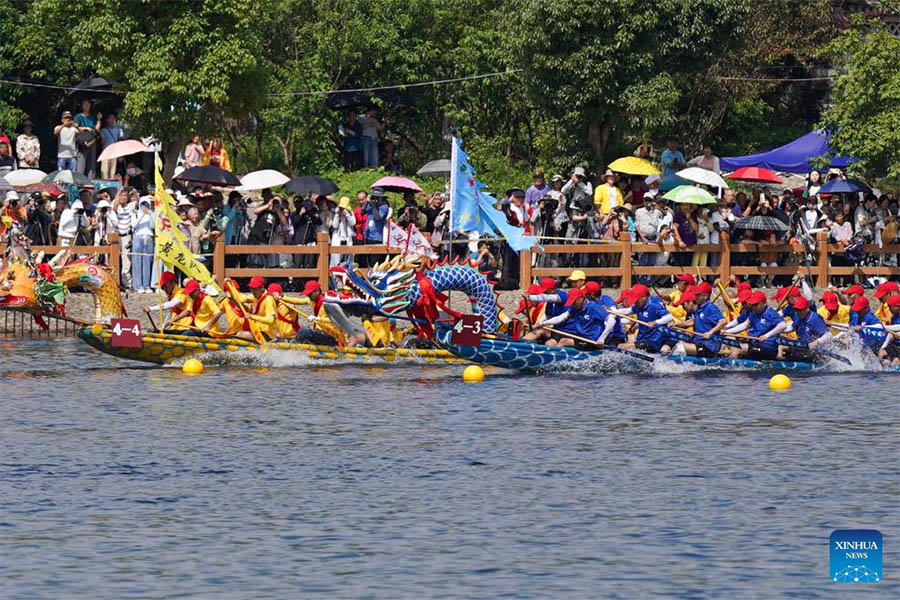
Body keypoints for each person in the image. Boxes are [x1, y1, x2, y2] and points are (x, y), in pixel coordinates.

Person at [724, 290, 787, 360]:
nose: (753, 307)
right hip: (753, 342)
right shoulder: (754, 312)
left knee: (737, 350)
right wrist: (727, 332)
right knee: (730, 340)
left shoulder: (771, 313)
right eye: (752, 305)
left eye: (756, 305)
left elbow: (782, 325)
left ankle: (730, 368)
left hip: (766, 347)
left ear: (764, 303)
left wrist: (766, 336)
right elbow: (745, 325)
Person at [671, 284, 726, 357]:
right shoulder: (699, 308)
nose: (695, 297)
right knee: (673, 342)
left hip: (709, 345)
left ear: (705, 296)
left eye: (697, 295)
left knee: (679, 347)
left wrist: (710, 332)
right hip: (698, 342)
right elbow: (693, 321)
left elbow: (723, 321)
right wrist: (676, 325)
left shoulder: (711, 308)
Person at [779, 296, 832, 361]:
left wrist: (816, 342)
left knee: (782, 347)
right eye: (796, 310)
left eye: (800, 310)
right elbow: (790, 328)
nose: (798, 312)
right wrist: (777, 330)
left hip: (813, 350)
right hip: (802, 346)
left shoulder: (814, 319)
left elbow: (828, 335)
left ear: (807, 308)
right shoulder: (799, 317)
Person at [132, 198, 155, 293]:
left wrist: (150, 213)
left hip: (149, 236)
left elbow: (153, 226)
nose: (144, 206)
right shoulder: (136, 213)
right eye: (143, 204)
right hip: (138, 236)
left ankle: (146, 285)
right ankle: (138, 285)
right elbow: (133, 224)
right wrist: (141, 214)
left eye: (146, 204)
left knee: (147, 261)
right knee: (137, 261)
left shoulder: (152, 214)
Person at [74, 99, 101, 177]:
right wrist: (86, 128)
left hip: (92, 141)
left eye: (88, 104)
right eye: (85, 104)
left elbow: (97, 129)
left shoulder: (92, 117)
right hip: (82, 141)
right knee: (81, 161)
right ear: (82, 106)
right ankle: (79, 180)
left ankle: (91, 180)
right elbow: (76, 127)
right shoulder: (78, 116)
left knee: (91, 162)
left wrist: (99, 119)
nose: (87, 106)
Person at [330, 196, 357, 267]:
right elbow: (334, 226)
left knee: (347, 263)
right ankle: (334, 277)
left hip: (348, 240)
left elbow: (353, 223)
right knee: (335, 262)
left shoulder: (350, 213)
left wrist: (347, 214)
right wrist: (337, 215)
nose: (342, 209)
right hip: (337, 241)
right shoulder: (336, 213)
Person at [99, 113, 124, 179]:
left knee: (113, 171)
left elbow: (119, 141)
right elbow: (102, 143)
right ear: (107, 120)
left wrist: (120, 154)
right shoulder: (103, 130)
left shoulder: (117, 130)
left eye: (113, 119)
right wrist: (102, 138)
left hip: (114, 152)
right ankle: (104, 185)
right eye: (110, 119)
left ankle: (111, 185)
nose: (112, 120)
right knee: (104, 171)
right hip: (105, 152)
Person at [878, 295, 900, 366]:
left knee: (895, 361)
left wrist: (883, 327)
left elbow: (896, 328)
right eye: (889, 306)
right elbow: (891, 335)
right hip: (895, 345)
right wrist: (883, 346)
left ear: (898, 306)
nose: (889, 309)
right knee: (881, 352)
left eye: (891, 307)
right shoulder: (893, 318)